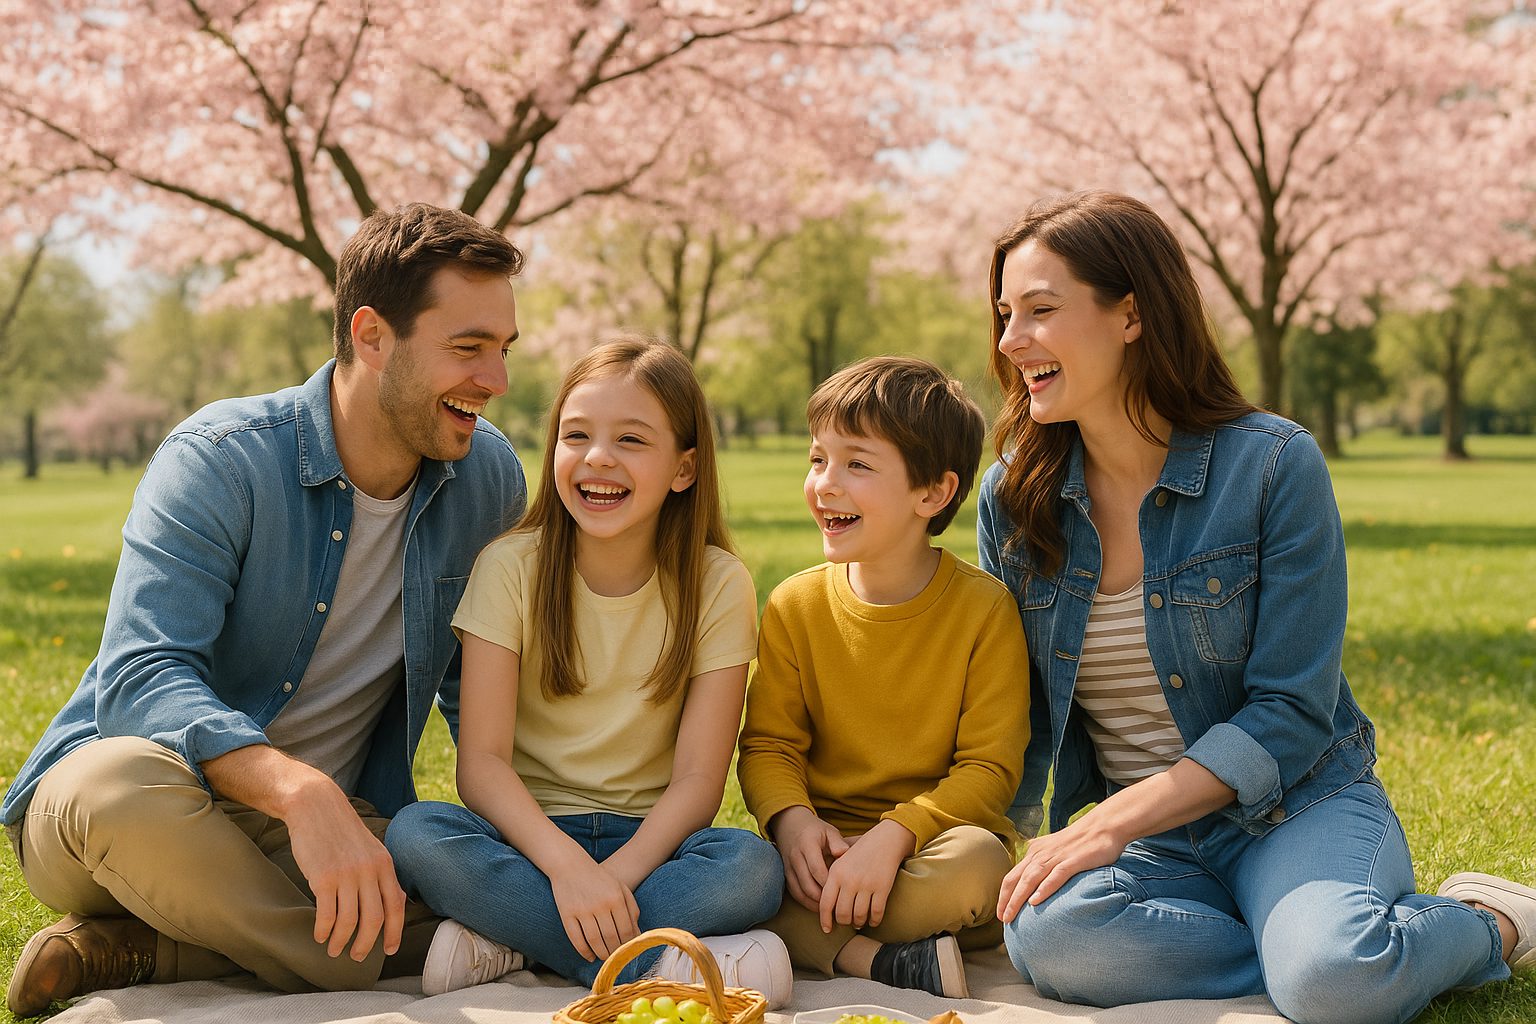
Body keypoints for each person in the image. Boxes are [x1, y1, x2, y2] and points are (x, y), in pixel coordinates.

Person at [978, 190, 1535, 1024]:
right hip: (1154, 844)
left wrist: (1112, 822)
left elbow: (1291, 710)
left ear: (1130, 315)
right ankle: (1303, 944)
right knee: (1050, 934)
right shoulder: (1015, 496)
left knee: (1334, 983)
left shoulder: (1272, 465)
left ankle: (1486, 924)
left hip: (1293, 806)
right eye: (1003, 315)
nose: (1010, 340)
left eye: (1041, 311)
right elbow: (1010, 703)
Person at [2, 203, 529, 1017]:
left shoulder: (487, 480)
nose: (495, 381)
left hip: (324, 834)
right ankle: (410, 948)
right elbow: (142, 678)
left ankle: (144, 946)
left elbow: (484, 699)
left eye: (503, 350)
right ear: (371, 334)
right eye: (468, 348)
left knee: (451, 851)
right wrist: (298, 791)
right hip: (141, 803)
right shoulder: (219, 460)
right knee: (116, 785)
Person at [384, 338, 790, 1004]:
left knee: (750, 868)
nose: (598, 457)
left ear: (684, 469)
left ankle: (509, 942)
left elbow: (697, 781)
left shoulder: (719, 584)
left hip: (653, 848)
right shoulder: (510, 568)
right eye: (577, 435)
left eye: (631, 439)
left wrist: (614, 880)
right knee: (418, 834)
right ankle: (649, 965)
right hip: (530, 843)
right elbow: (481, 764)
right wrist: (569, 869)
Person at [738, 356, 1031, 1000]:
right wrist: (792, 823)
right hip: (820, 850)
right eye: (818, 459)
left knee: (980, 867)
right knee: (738, 870)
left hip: (930, 849)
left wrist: (893, 838)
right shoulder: (794, 605)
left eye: (857, 464)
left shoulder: (984, 611)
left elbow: (989, 770)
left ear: (932, 494)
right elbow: (769, 745)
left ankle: (826, 947)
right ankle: (876, 960)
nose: (825, 484)